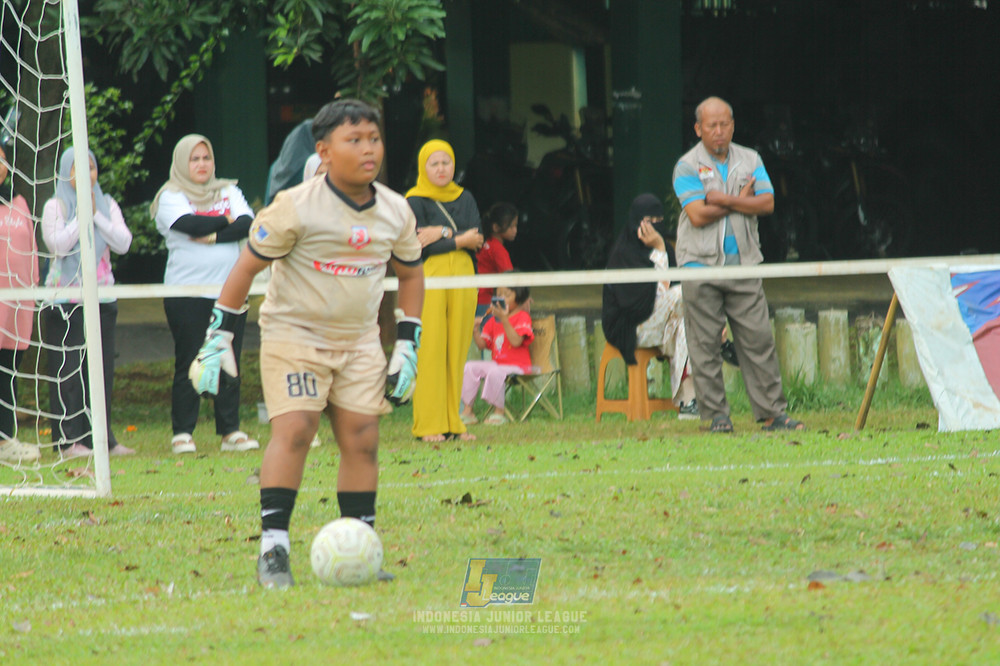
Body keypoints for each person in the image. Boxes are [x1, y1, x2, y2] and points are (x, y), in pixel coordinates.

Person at [188, 98, 424, 588]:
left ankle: (362, 546)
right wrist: (218, 337)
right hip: (295, 337)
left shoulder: (396, 210)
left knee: (363, 437)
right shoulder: (294, 206)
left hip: (359, 341)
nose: (368, 149)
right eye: (353, 140)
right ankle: (273, 550)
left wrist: (407, 342)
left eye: (374, 139)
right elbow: (246, 267)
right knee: (295, 430)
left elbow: (410, 271)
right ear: (324, 150)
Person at [672, 96, 805, 433]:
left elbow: (768, 203)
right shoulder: (686, 166)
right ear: (698, 129)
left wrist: (723, 199)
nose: (719, 131)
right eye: (711, 125)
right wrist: (742, 201)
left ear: (733, 125)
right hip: (699, 266)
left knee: (758, 340)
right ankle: (716, 417)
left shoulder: (751, 158)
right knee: (704, 345)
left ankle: (773, 413)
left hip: (745, 264)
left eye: (725, 124)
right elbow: (698, 215)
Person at [151, 134, 260, 455]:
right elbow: (188, 224)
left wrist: (214, 235)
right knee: (190, 359)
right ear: (183, 162)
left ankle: (230, 431)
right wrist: (225, 220)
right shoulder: (170, 195)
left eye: (206, 158)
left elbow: (248, 225)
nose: (201, 165)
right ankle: (183, 432)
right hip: (186, 292)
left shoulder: (228, 190)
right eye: (194, 159)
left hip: (230, 290)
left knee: (228, 358)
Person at [41, 147, 134, 458]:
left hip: (102, 296)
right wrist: (81, 213)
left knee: (101, 370)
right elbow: (58, 244)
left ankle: (102, 438)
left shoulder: (107, 204)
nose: (85, 174)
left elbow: (123, 242)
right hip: (65, 300)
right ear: (66, 172)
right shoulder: (55, 206)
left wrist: (95, 213)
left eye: (91, 168)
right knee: (68, 370)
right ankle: (69, 440)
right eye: (77, 168)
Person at [406, 139, 484, 442]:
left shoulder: (465, 197)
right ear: (423, 167)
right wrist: (457, 239)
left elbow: (476, 237)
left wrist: (441, 233)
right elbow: (416, 243)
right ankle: (428, 424)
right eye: (434, 163)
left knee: (457, 349)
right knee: (431, 349)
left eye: (446, 162)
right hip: (429, 278)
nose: (441, 169)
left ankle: (454, 423)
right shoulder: (414, 200)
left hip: (464, 278)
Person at [602, 194, 699, 419]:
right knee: (685, 294)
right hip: (630, 325)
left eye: (659, 220)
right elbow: (649, 299)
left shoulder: (668, 248)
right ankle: (720, 343)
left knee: (687, 325)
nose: (655, 226)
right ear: (636, 221)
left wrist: (663, 249)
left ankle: (689, 401)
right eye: (648, 220)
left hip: (665, 322)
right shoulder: (622, 255)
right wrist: (659, 249)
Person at [0, 143, 40, 465]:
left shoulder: (20, 202)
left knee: (9, 372)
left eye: (1, 158)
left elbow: (32, 252)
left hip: (18, 304)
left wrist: (33, 290)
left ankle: (6, 439)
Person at [460, 285, 533, 426]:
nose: (501, 299)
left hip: (519, 366)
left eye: (507, 295)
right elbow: (483, 345)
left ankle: (499, 412)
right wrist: (475, 330)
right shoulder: (493, 320)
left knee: (495, 371)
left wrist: (504, 319)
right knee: (469, 367)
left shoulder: (522, 317)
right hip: (498, 364)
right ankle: (468, 411)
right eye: (499, 295)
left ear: (519, 297)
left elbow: (516, 341)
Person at [474, 202, 518, 317]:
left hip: (473, 296)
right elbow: (510, 277)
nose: (515, 230)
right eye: (511, 226)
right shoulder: (498, 250)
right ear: (496, 227)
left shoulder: (481, 243)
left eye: (516, 226)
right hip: (486, 302)